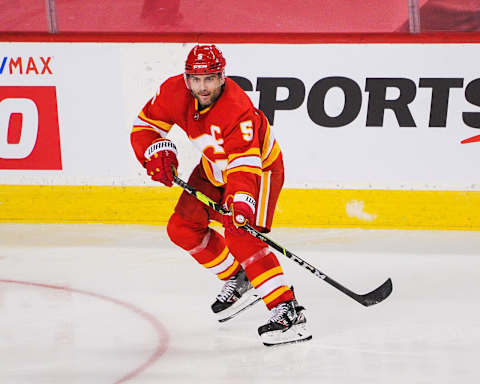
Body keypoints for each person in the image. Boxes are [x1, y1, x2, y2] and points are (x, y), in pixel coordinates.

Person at [130, 44, 311, 346]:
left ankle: (287, 310)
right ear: (187, 78)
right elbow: (144, 126)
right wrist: (153, 154)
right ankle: (238, 277)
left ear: (222, 77)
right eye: (196, 79)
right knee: (181, 228)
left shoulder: (236, 108)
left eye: (210, 79)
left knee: (241, 236)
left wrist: (242, 202)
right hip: (214, 168)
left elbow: (244, 164)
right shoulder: (174, 92)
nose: (203, 87)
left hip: (260, 172)